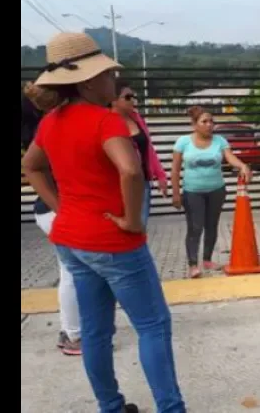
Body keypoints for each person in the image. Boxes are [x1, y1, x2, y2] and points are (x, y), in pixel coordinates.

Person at [21, 31, 185, 413]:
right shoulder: (105, 121)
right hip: (112, 241)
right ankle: (172, 408)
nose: (114, 79)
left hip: (71, 238)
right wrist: (130, 219)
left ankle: (110, 406)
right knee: (152, 326)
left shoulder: (51, 121)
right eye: (109, 74)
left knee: (95, 331)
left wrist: (60, 206)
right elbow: (129, 170)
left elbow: (31, 166)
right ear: (89, 80)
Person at [22, 87, 81, 357]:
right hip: (56, 210)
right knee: (72, 273)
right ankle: (73, 335)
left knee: (71, 271)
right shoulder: (52, 127)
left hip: (52, 209)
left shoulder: (44, 127)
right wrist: (62, 208)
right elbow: (32, 167)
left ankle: (70, 329)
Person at [172, 106, 251, 279]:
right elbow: (175, 170)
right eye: (204, 122)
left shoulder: (220, 141)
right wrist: (176, 193)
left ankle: (207, 259)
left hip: (216, 190)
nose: (209, 125)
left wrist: (242, 166)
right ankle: (193, 264)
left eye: (211, 121)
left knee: (211, 225)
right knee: (195, 227)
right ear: (194, 124)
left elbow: (230, 158)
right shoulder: (183, 142)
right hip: (193, 192)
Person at [111, 79, 168, 225]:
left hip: (143, 182)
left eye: (134, 96)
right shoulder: (108, 122)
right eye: (128, 97)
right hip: (118, 184)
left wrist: (160, 174)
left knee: (141, 224)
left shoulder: (136, 118)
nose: (133, 100)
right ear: (113, 100)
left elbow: (148, 148)